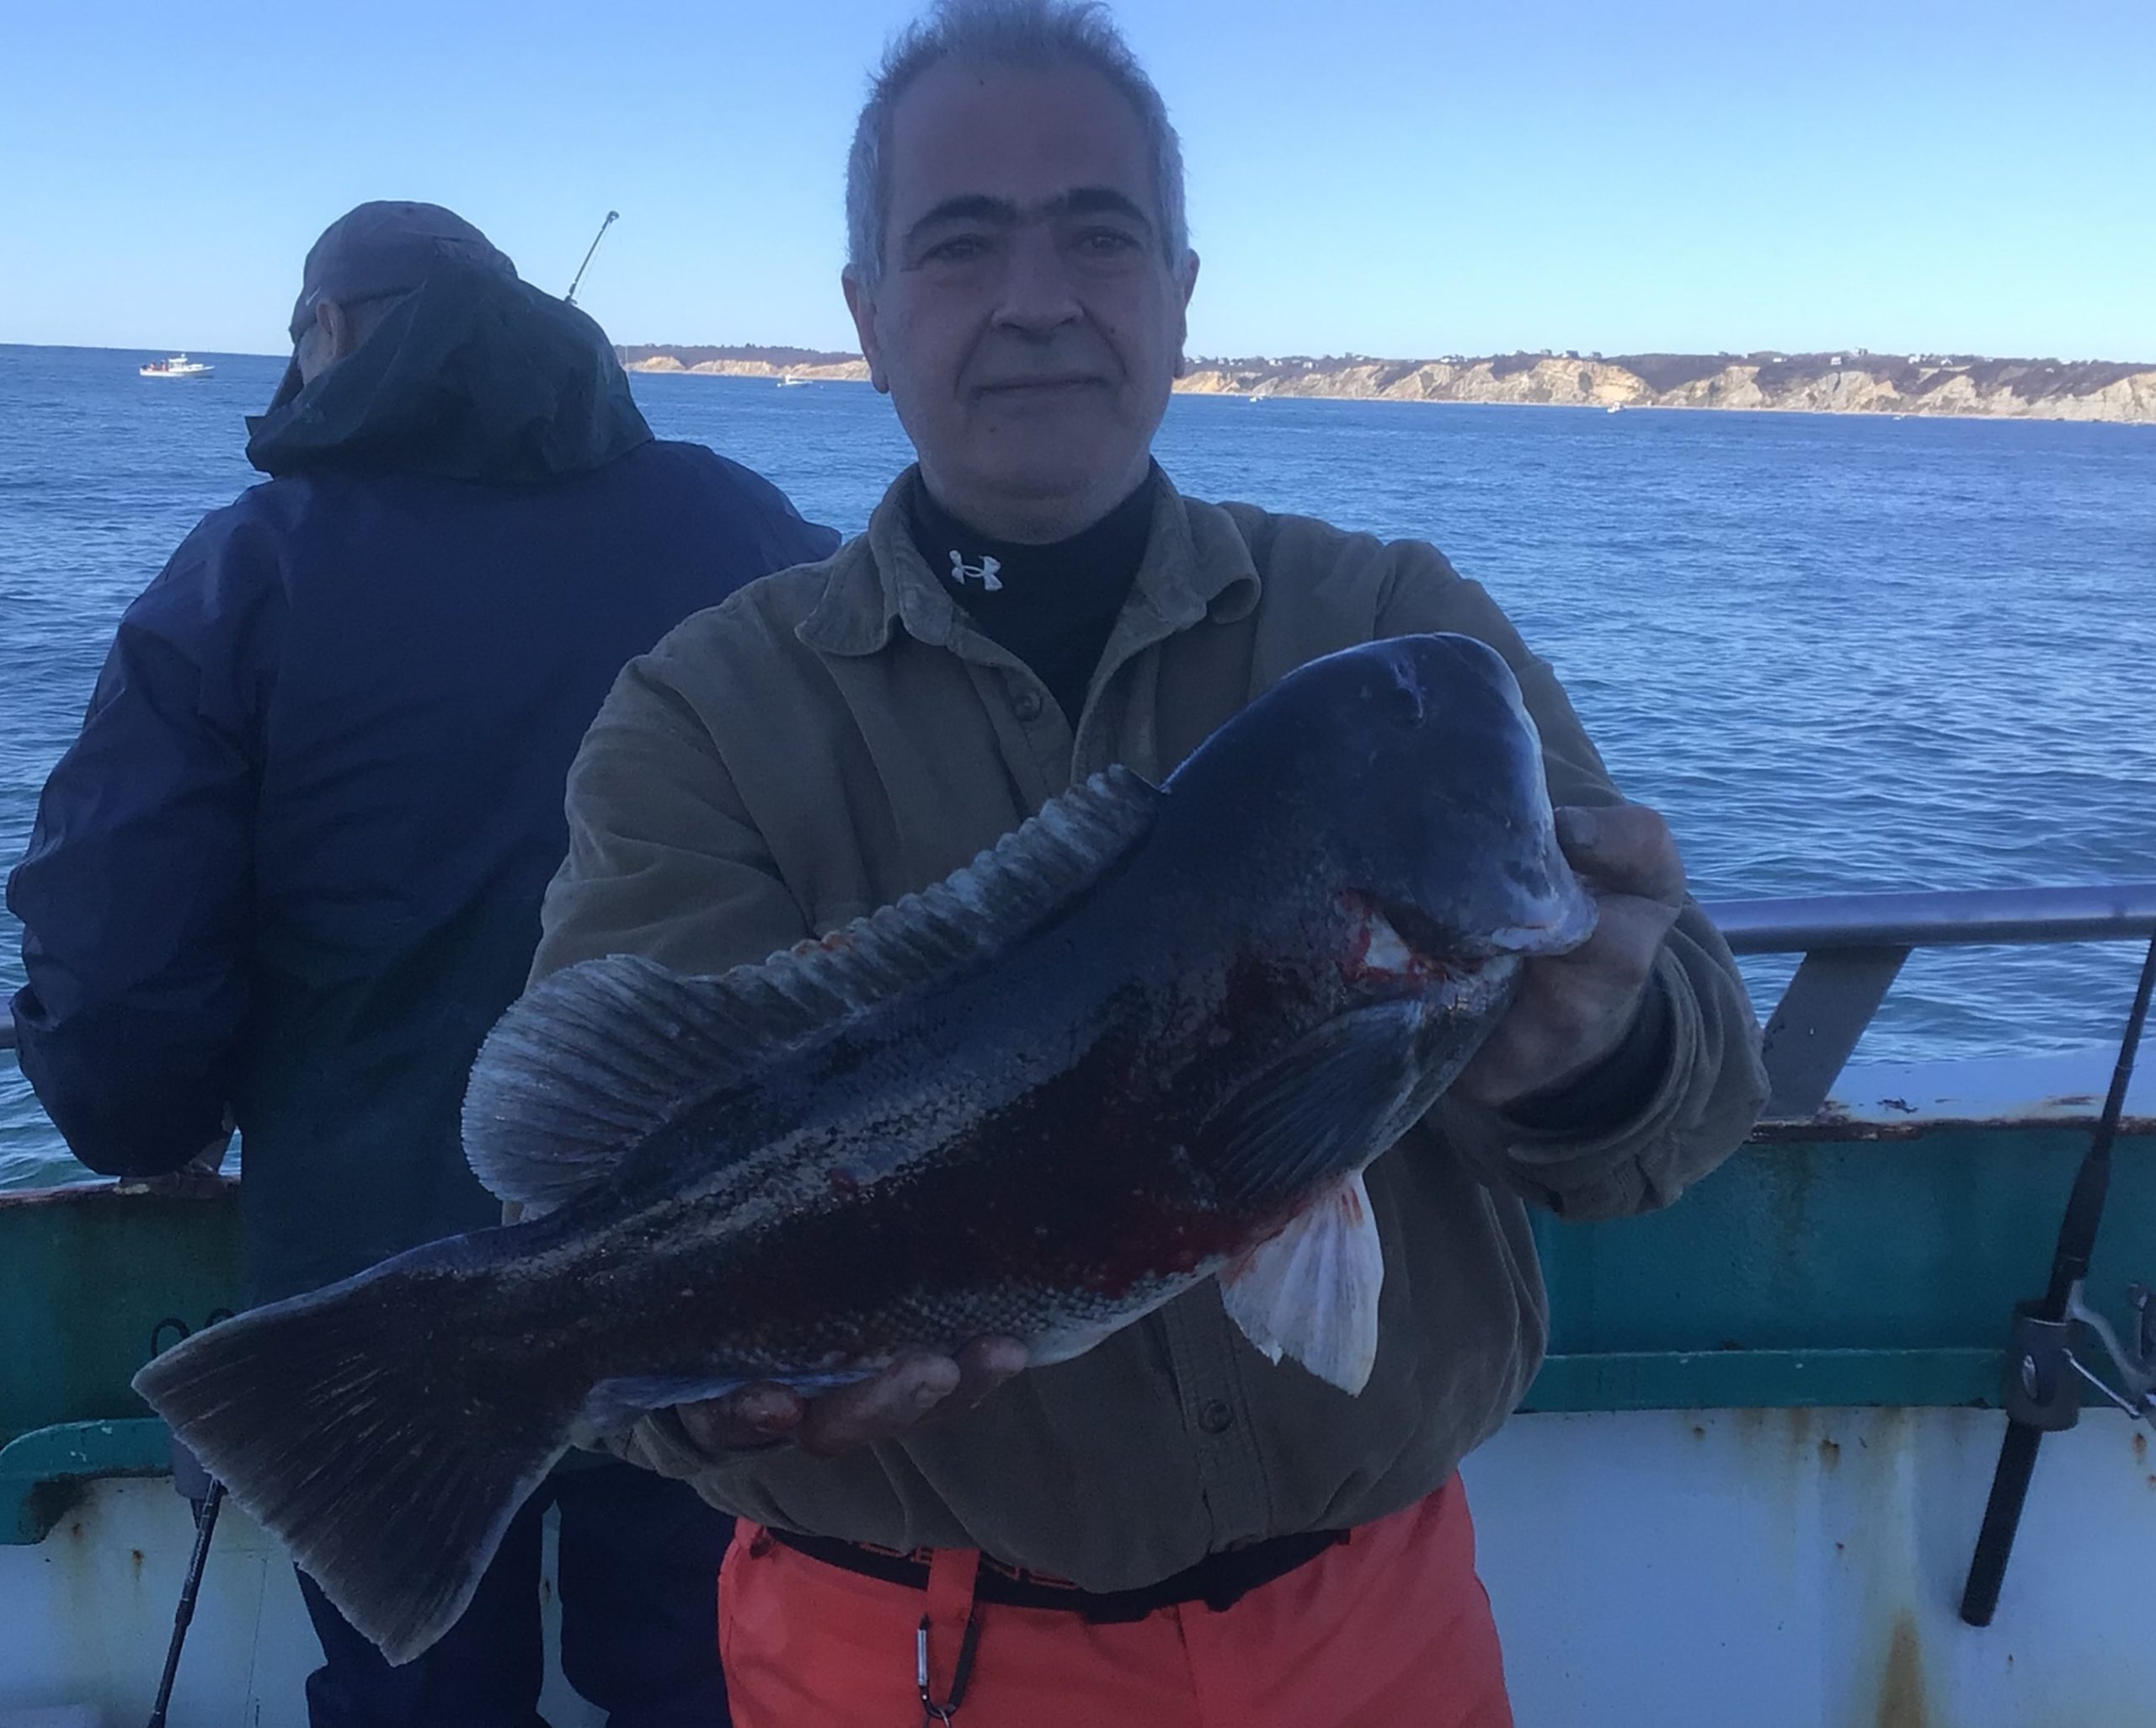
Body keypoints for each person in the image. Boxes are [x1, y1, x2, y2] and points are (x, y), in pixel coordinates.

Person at [531, 5, 1769, 1723]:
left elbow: (1696, 1092)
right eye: (957, 245)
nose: (1036, 297)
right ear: (865, 317)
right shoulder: (699, 718)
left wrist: (1601, 1049)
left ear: (1180, 293)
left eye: (1096, 236)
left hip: (1375, 1625)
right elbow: (599, 1180)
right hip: (896, 1653)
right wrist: (706, 1390)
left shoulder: (1399, 639)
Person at [7, 201, 839, 1728]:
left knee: (418, 1697)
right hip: (715, 1270)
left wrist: (146, 1118)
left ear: (327, 335)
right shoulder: (746, 524)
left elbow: (115, 960)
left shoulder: (250, 566)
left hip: (381, 1312)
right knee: (697, 1668)